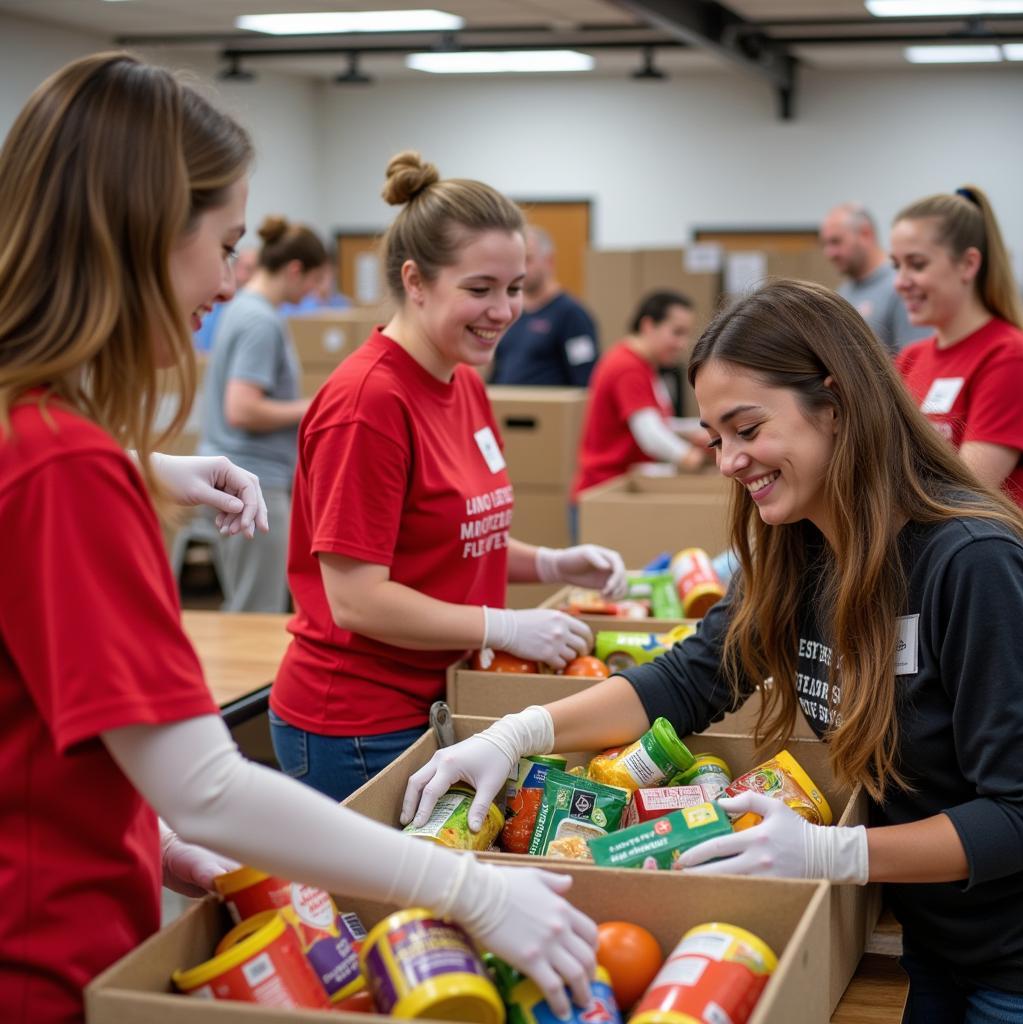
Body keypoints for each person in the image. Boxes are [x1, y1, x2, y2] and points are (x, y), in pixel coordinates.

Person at [0, 54, 598, 1024]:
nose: (235, 279)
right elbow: (206, 782)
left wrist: (144, 833)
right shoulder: (64, 466)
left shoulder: (48, 442)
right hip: (44, 960)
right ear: (146, 234)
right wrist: (473, 889)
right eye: (226, 242)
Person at [405, 279, 1023, 1024]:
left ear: (835, 403)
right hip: (939, 943)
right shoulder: (802, 549)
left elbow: (1016, 811)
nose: (729, 460)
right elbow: (689, 679)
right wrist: (520, 732)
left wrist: (840, 854)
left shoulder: (971, 562)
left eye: (748, 428)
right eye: (715, 438)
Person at [269, 151, 627, 802]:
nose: (504, 310)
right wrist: (503, 626)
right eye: (480, 289)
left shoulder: (463, 381)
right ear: (416, 280)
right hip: (356, 723)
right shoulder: (368, 403)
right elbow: (356, 598)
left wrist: (551, 563)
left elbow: (459, 536)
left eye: (515, 287)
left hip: (434, 698)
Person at [198, 215, 325, 611]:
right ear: (294, 270)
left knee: (247, 603)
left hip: (239, 477)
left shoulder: (244, 310)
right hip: (252, 479)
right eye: (312, 280)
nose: (314, 292)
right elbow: (242, 409)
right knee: (257, 609)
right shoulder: (260, 321)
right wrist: (314, 406)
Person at [891, 185, 1023, 510]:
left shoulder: (1009, 356)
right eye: (897, 266)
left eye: (917, 264)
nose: (900, 281)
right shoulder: (911, 358)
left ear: (968, 264)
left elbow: (966, 492)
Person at [571, 290, 708, 509]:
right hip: (606, 493)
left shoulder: (643, 365)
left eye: (686, 334)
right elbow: (650, 433)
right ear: (648, 325)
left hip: (614, 491)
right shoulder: (628, 368)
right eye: (677, 332)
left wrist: (697, 429)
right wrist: (688, 457)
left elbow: (654, 422)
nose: (682, 344)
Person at [489, 225, 599, 386]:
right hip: (505, 409)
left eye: (528, 259)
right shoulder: (510, 312)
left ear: (549, 261)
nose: (521, 269)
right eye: (516, 261)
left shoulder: (572, 315)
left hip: (548, 410)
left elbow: (585, 380)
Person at [820, 202, 929, 355]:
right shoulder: (843, 292)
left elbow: (917, 362)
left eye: (836, 242)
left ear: (865, 234)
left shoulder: (901, 287)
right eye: (825, 244)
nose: (830, 253)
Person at [193, 245, 257, 352]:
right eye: (246, 268)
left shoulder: (256, 311)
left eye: (250, 270)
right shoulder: (209, 307)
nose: (241, 274)